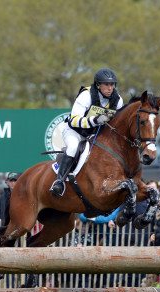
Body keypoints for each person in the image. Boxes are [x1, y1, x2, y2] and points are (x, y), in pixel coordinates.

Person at [50, 68, 124, 197]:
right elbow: (73, 120)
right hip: (75, 132)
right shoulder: (86, 95)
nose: (110, 88)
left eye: (112, 84)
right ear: (98, 85)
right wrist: (95, 120)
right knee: (73, 147)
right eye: (106, 84)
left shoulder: (118, 101)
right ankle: (59, 181)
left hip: (96, 135)